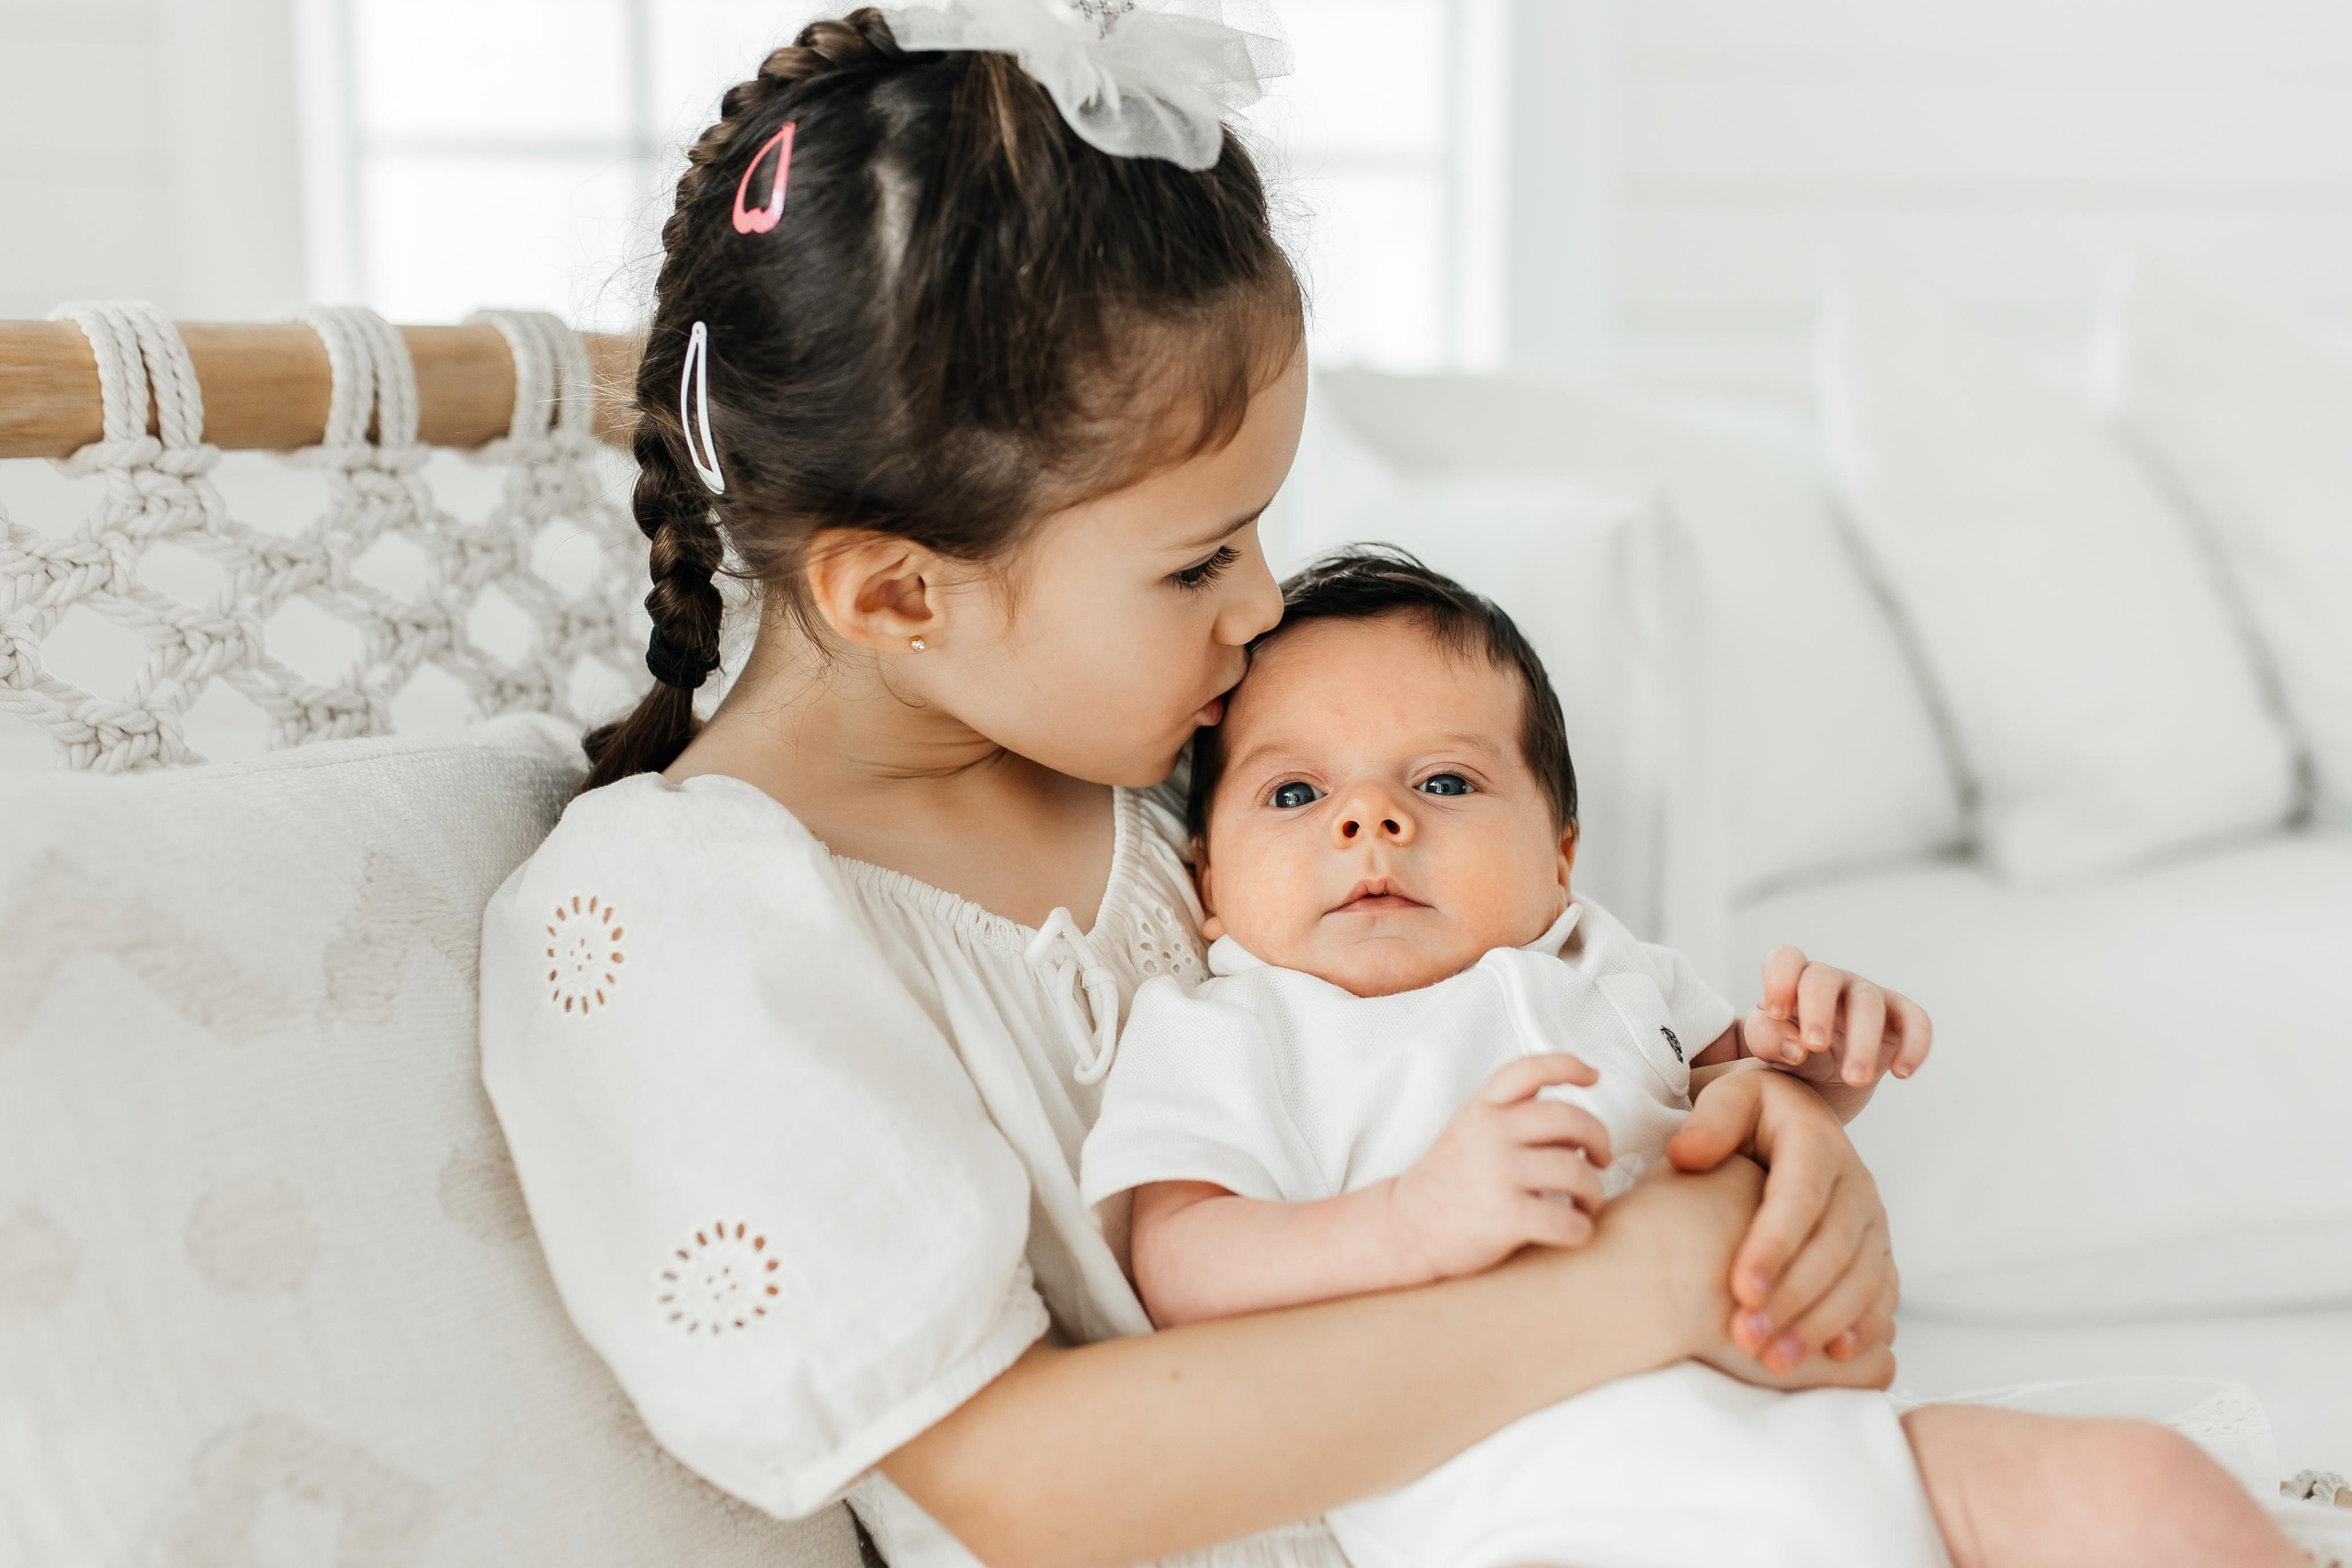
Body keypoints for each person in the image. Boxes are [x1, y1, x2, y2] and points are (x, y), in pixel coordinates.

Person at [479, 10, 1935, 1565]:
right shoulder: (678, 924)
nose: (1260, 609)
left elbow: (1558, 1030)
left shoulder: (1215, 786)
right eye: (1195, 562)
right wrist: (1646, 1283)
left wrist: (1766, 1133)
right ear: (900, 594)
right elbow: (1025, 1484)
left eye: (1255, 530)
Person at [1079, 547, 2301, 1568]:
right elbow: (1180, 1258)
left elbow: (1733, 1107)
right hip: (1536, 1507)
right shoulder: (1232, 1025)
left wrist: (1810, 1076)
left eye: (1446, 780)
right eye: (1295, 796)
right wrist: (1407, 1223)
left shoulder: (1614, 966)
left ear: (1561, 858)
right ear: (1208, 889)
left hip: (1843, 1453)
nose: (1373, 820)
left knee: (2151, 1489)